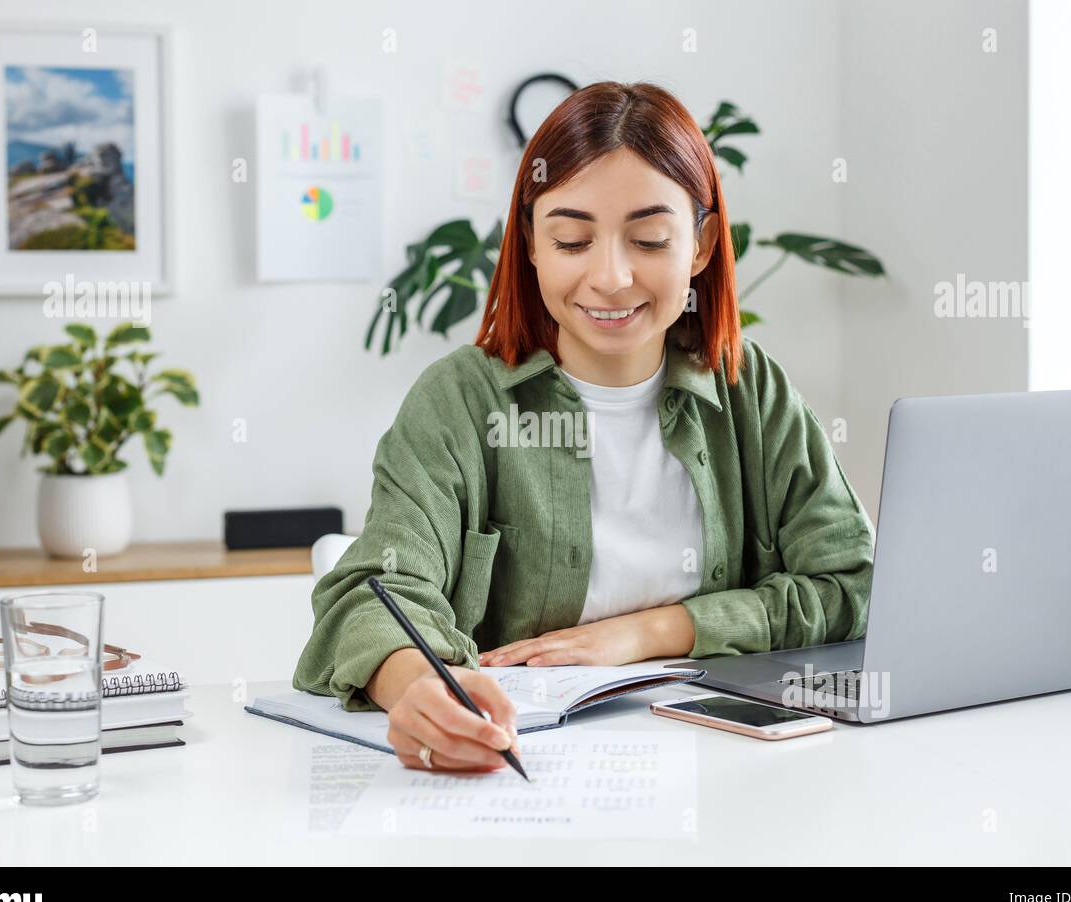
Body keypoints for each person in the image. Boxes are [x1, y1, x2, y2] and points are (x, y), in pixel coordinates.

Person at [293, 80, 875, 773]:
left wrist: (652, 632)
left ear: (700, 245)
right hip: (524, 780)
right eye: (571, 239)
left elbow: (853, 584)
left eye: (650, 238)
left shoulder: (753, 392)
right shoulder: (459, 402)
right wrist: (416, 687)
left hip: (729, 772)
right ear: (531, 243)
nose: (610, 277)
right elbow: (373, 591)